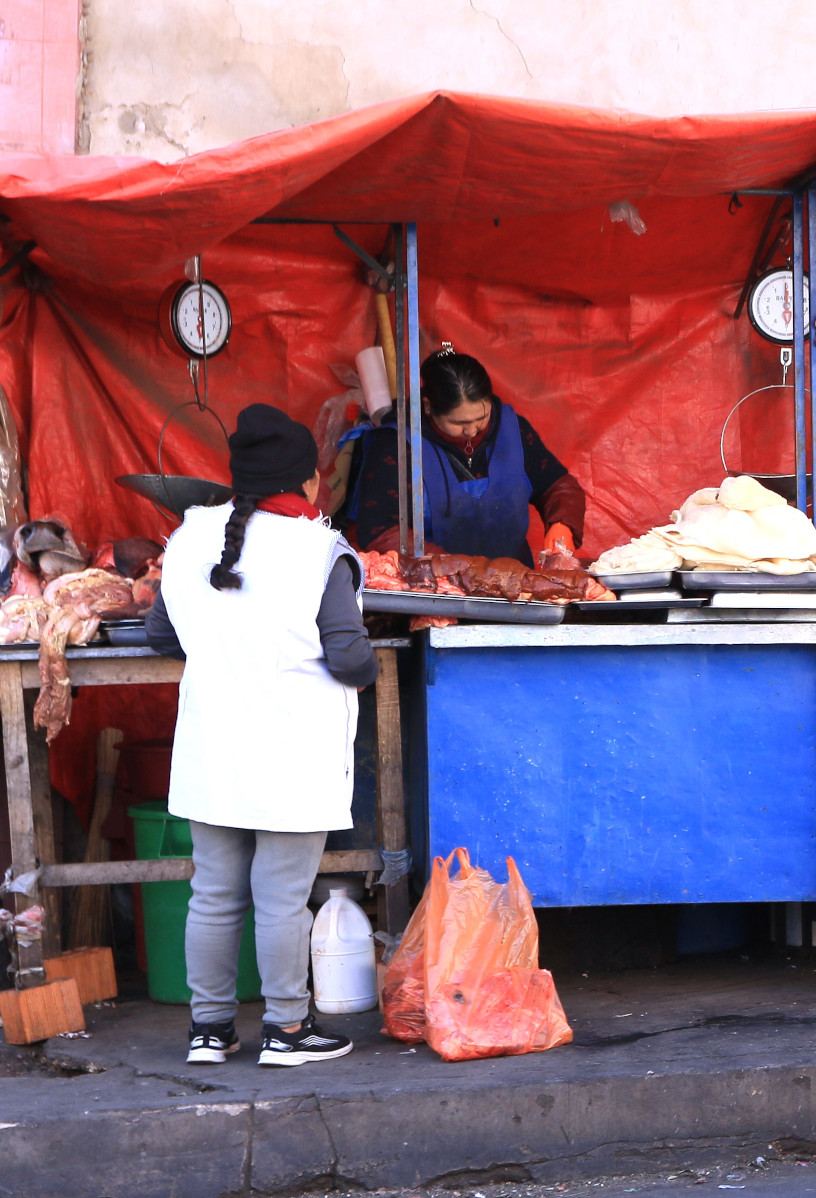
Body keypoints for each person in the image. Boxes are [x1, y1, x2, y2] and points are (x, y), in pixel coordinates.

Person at [147, 404, 381, 1067]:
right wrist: (363, 669)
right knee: (281, 897)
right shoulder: (317, 549)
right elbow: (350, 656)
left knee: (214, 893)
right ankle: (285, 1028)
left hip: (213, 747)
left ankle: (209, 1031)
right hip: (292, 753)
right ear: (309, 480)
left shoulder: (188, 537)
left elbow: (162, 635)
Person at [342, 348, 587, 564]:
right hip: (434, 592)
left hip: (514, 587)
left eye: (481, 418)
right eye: (458, 423)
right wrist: (451, 567)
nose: (471, 431)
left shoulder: (514, 430)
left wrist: (562, 525)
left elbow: (557, 485)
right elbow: (379, 529)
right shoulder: (396, 445)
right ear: (428, 407)